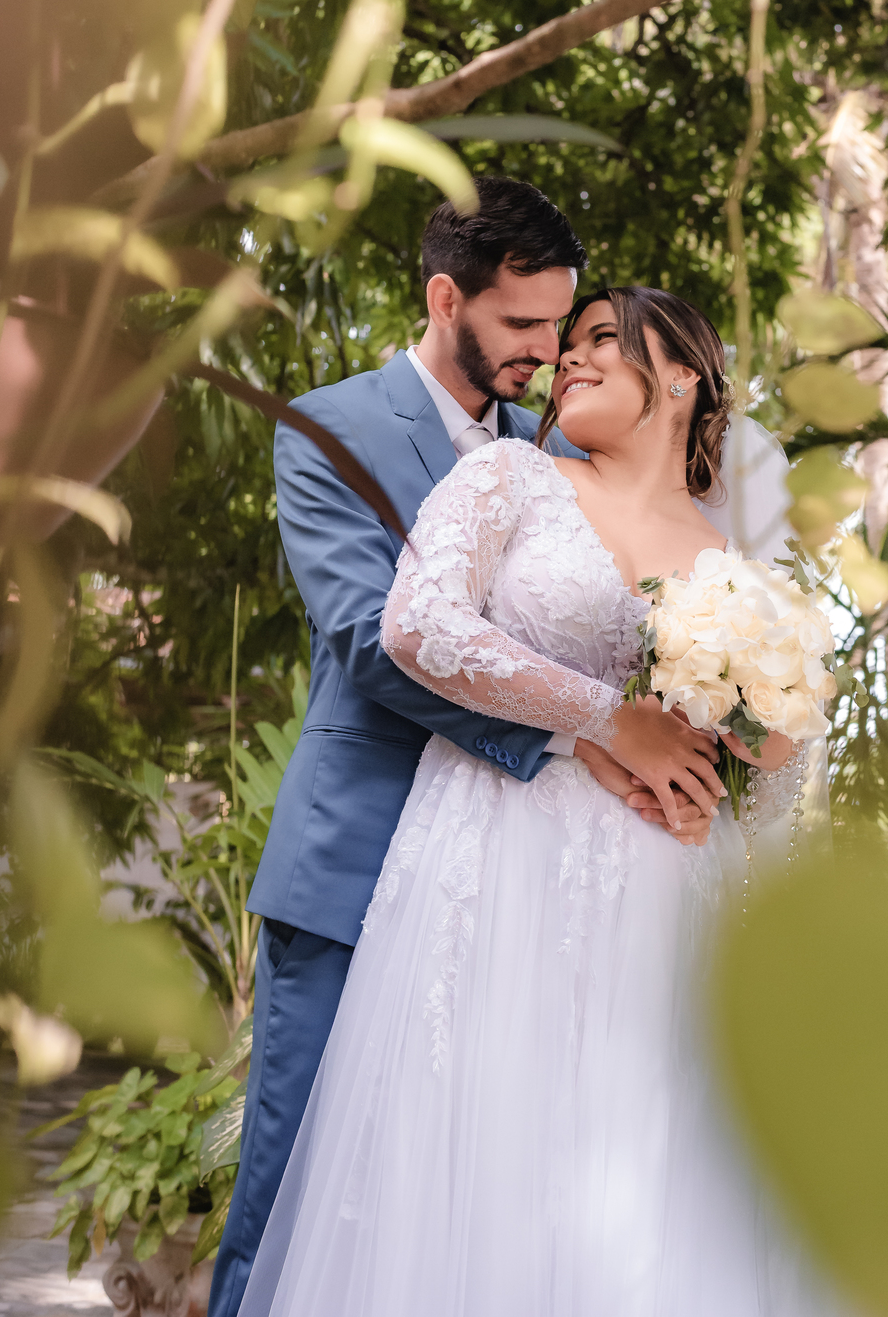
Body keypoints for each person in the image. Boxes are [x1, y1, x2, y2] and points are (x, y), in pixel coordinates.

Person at [236, 284, 842, 1317]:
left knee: (634, 1194)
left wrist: (724, 784)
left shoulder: (737, 567)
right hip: (495, 864)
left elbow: (776, 770)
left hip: (659, 912)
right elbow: (417, 626)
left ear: (685, 372)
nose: (572, 357)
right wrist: (610, 719)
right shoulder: (508, 476)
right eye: (571, 343)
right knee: (473, 1170)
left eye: (606, 338)